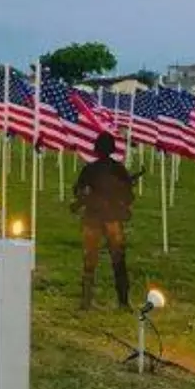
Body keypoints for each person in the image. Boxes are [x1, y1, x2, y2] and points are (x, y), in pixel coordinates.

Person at [70, 132, 144, 311]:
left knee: (90, 261)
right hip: (110, 217)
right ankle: (123, 302)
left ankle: (86, 301)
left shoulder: (90, 169)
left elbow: (78, 190)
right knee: (118, 260)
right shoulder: (118, 169)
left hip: (93, 217)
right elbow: (128, 197)